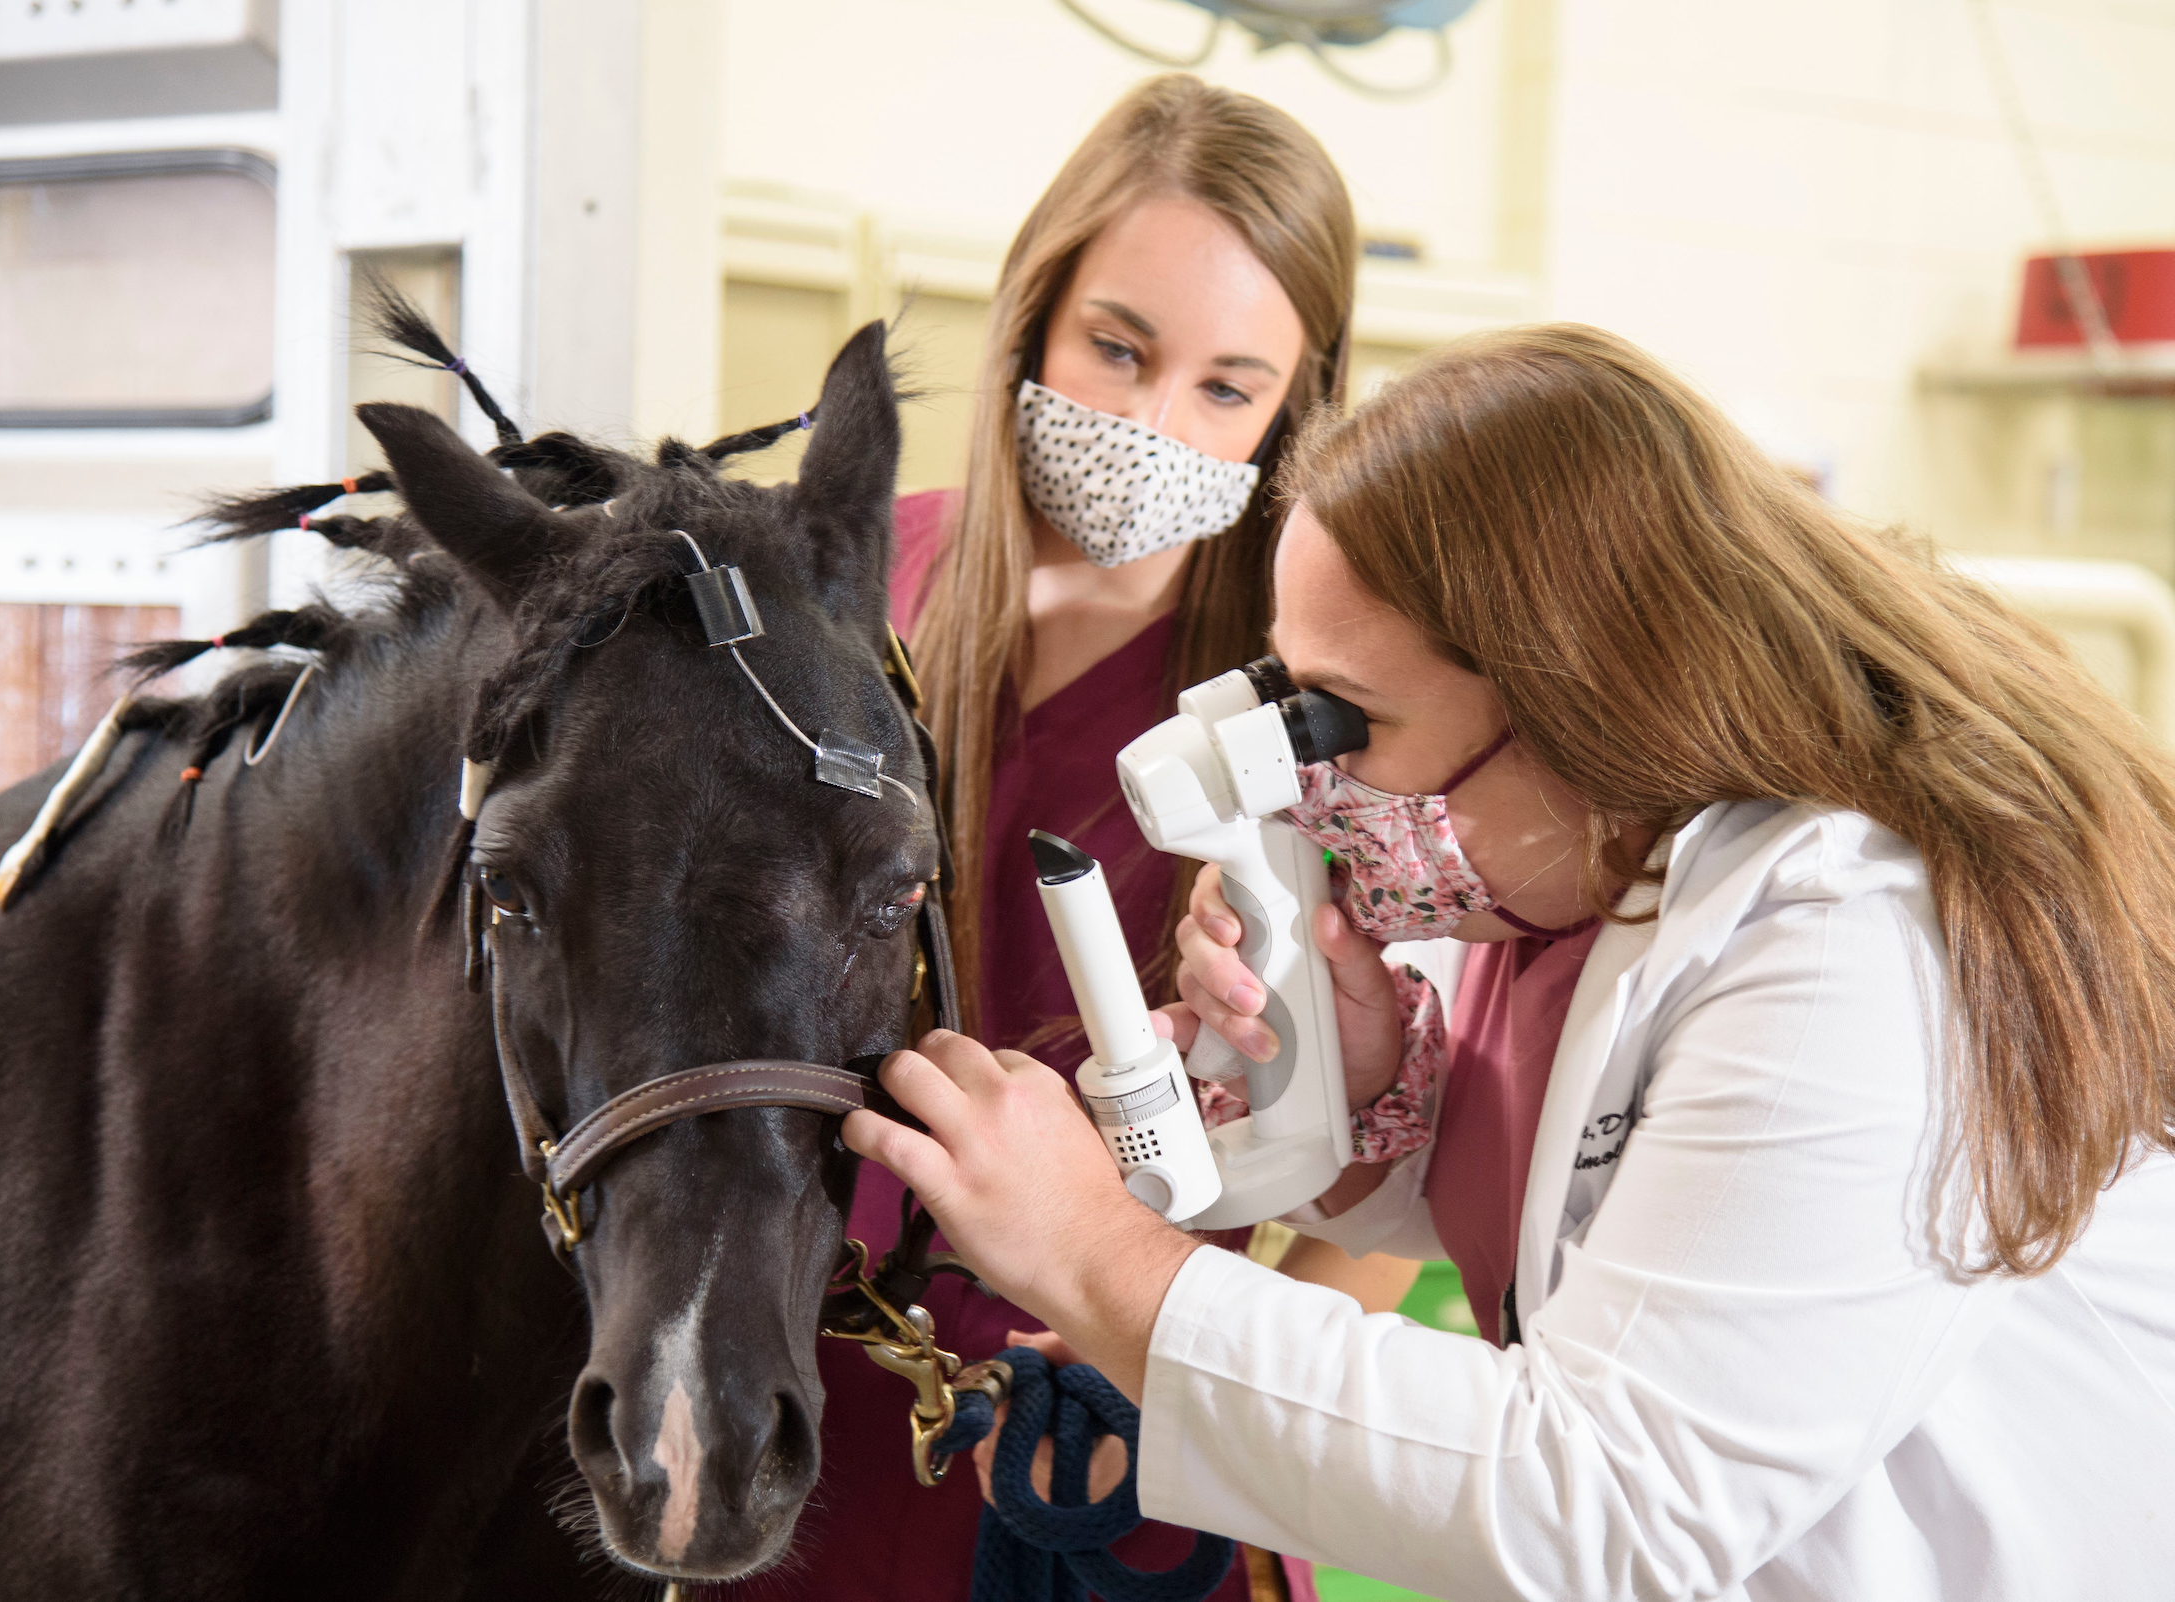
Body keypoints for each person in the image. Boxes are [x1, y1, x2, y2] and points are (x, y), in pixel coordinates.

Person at [844, 323, 2175, 1599]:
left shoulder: (1852, 946)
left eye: (1350, 720)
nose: (1321, 779)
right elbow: (1613, 1228)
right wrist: (1377, 1107)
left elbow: (1606, 1493)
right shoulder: (1570, 873)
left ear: (1586, 698)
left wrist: (1096, 1252)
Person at [729, 76, 1385, 1602]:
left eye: (1228, 389)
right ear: (1034, 318)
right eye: (1118, 348)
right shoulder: (833, 593)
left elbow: (1405, 1163)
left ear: (1293, 410)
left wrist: (1196, 1398)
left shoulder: (1315, 714)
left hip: (1111, 1451)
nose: (1155, 424)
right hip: (796, 1411)